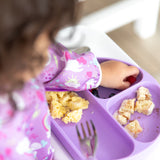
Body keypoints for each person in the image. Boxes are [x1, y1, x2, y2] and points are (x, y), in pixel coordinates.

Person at [0, 0, 139, 159]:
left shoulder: (16, 56)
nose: (46, 55)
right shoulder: (6, 137)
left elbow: (49, 64)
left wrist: (97, 72)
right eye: (38, 55)